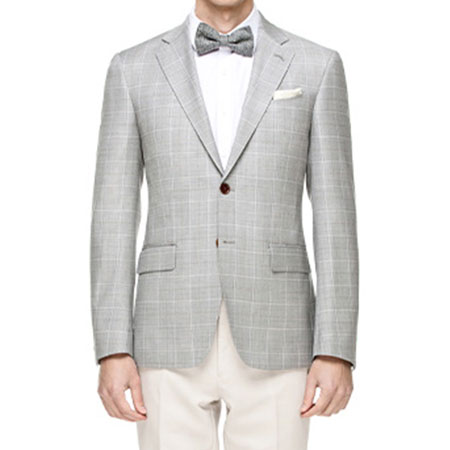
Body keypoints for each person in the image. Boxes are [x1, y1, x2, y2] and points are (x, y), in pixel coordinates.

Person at [90, 0, 359, 448]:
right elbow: (112, 216)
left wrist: (335, 347)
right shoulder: (132, 69)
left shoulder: (317, 65)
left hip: (279, 331)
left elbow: (336, 217)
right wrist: (113, 346)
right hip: (167, 330)